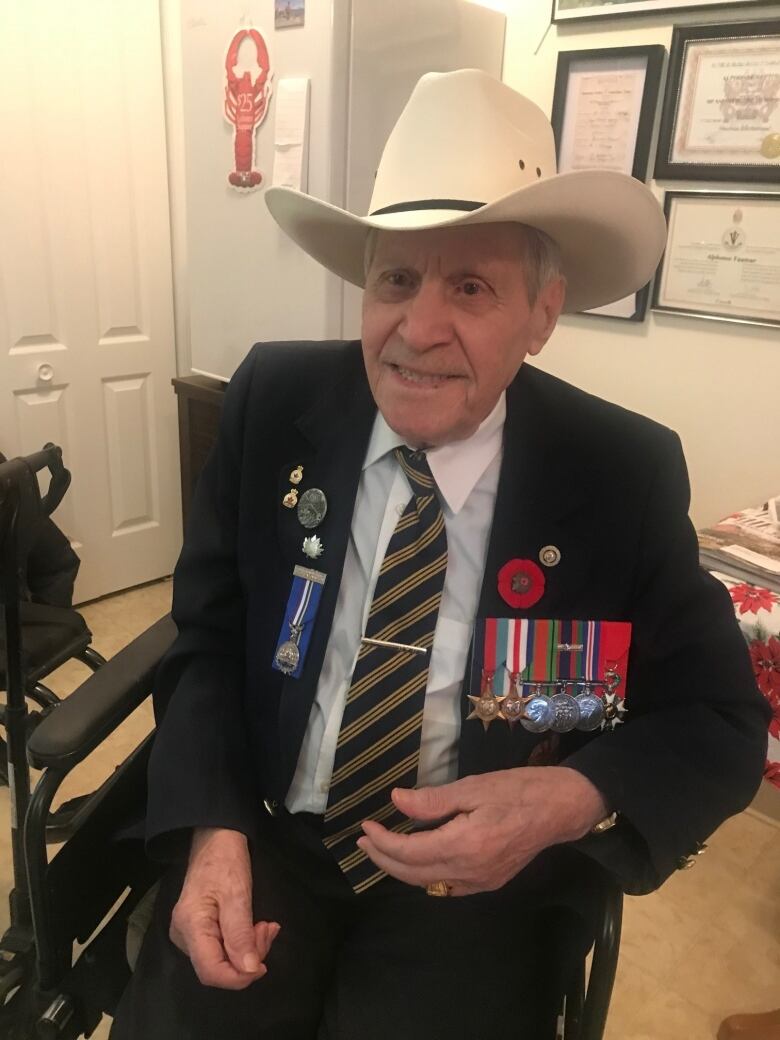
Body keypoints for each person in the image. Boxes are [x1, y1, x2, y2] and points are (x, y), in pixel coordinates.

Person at [111, 70, 769, 1039]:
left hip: (482, 874)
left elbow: (719, 717)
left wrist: (572, 792)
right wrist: (212, 826)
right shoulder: (271, 403)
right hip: (270, 831)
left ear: (541, 315)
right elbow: (206, 639)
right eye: (397, 278)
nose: (419, 329)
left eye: (470, 286)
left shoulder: (617, 471)